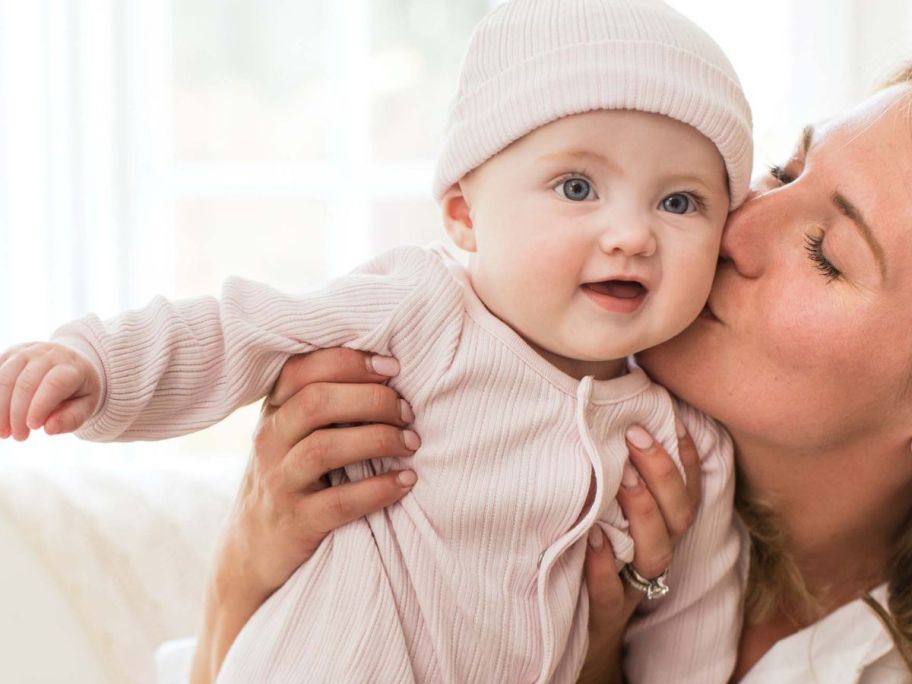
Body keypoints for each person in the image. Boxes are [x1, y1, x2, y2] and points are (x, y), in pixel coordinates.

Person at [0, 1, 753, 682]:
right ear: (463, 215)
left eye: (679, 201)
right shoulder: (417, 310)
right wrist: (96, 365)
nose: (630, 236)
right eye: (577, 187)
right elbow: (240, 328)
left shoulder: (682, 444)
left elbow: (691, 637)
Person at [182, 67, 912, 683]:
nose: (736, 225)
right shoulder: (447, 400)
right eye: (784, 170)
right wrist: (246, 569)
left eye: (827, 253)